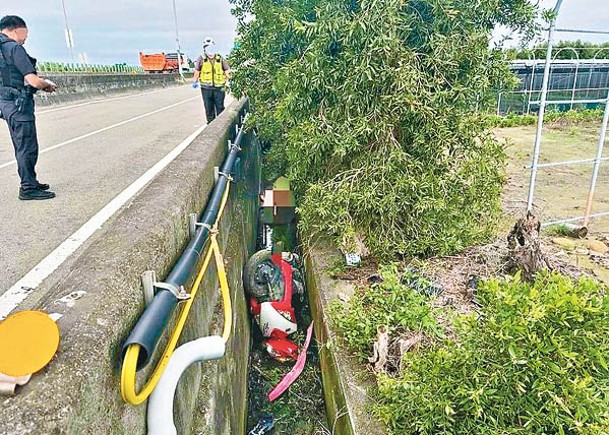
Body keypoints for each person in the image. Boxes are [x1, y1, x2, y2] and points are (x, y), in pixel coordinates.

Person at [0, 15, 57, 201]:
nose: (26, 38)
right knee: (27, 147)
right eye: (25, 33)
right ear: (16, 29)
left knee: (21, 145)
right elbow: (32, 80)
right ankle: (28, 187)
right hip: (19, 105)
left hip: (7, 104)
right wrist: (47, 85)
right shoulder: (14, 48)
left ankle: (30, 181)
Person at [192, 37, 231, 124]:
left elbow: (227, 70)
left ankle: (221, 126)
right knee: (209, 109)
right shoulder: (201, 59)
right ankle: (211, 126)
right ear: (204, 49)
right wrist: (195, 81)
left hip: (219, 88)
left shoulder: (220, 58)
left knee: (220, 107)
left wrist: (231, 79)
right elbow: (197, 71)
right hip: (206, 88)